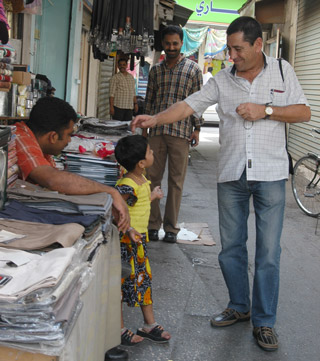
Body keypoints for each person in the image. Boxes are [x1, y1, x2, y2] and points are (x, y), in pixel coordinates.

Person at [131, 16, 311, 352]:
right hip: (231, 174)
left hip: (270, 174)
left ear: (258, 45)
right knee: (231, 249)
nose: (232, 55)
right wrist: (155, 118)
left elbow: (303, 112)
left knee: (269, 253)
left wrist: (266, 110)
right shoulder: (222, 80)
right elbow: (189, 105)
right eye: (229, 48)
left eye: (238, 48)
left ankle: (265, 322)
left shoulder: (283, 71)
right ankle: (239, 306)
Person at [14, 96, 130, 360]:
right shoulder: (21, 139)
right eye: (68, 136)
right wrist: (108, 190)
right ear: (53, 135)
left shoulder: (34, 140)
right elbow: (51, 178)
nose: (69, 143)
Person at [144, 25, 203, 244]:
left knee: (176, 182)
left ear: (181, 44)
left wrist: (197, 128)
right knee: (151, 179)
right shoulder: (155, 71)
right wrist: (144, 130)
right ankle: (152, 224)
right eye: (167, 43)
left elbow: (198, 102)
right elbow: (149, 102)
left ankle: (171, 228)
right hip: (157, 132)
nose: (171, 47)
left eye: (175, 44)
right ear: (163, 44)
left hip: (181, 132)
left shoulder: (193, 70)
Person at [114, 135, 171, 346]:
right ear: (140, 163)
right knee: (120, 285)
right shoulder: (127, 184)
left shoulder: (141, 179)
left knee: (144, 280)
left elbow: (140, 201)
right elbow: (116, 209)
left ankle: (149, 325)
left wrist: (153, 195)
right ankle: (118, 329)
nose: (153, 153)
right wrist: (127, 228)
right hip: (126, 244)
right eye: (149, 152)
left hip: (139, 242)